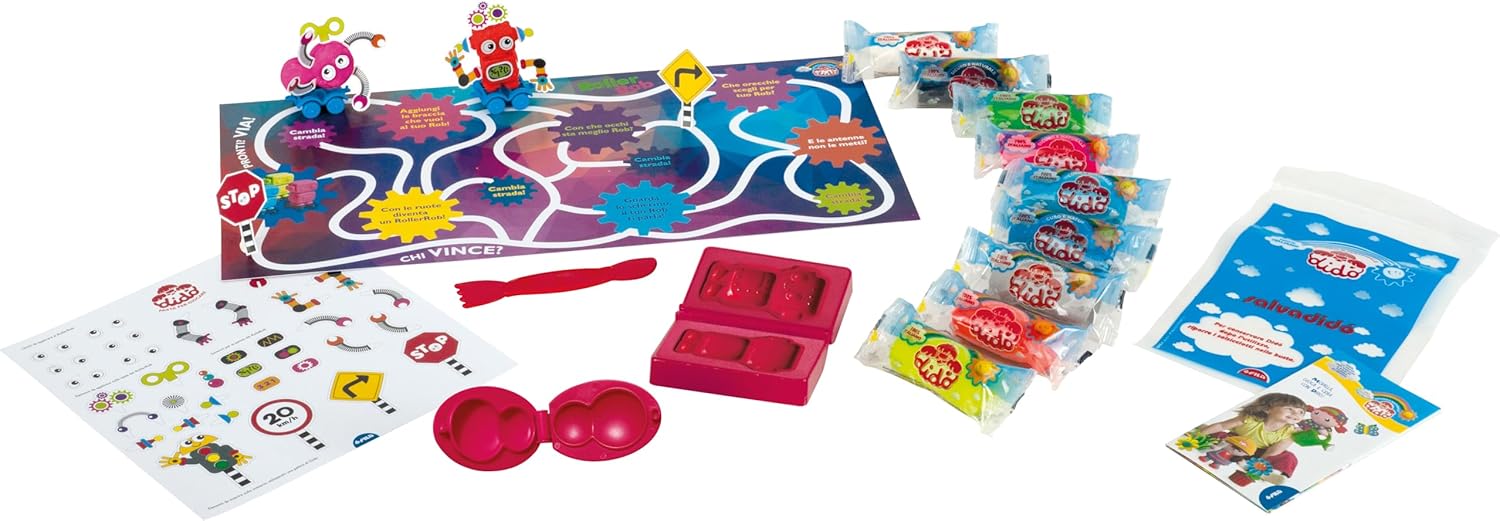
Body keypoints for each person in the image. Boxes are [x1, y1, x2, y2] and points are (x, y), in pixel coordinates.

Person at [1197, 392, 1306, 484]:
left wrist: (1257, 466)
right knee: (1220, 434)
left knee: (1289, 457)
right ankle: (1200, 429)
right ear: (1268, 409)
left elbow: (1273, 451)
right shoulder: (1250, 419)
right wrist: (1200, 434)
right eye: (1289, 409)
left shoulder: (1291, 433)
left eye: (1301, 412)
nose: (1296, 414)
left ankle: (1271, 473)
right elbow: (1222, 426)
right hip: (1234, 442)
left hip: (1258, 452)